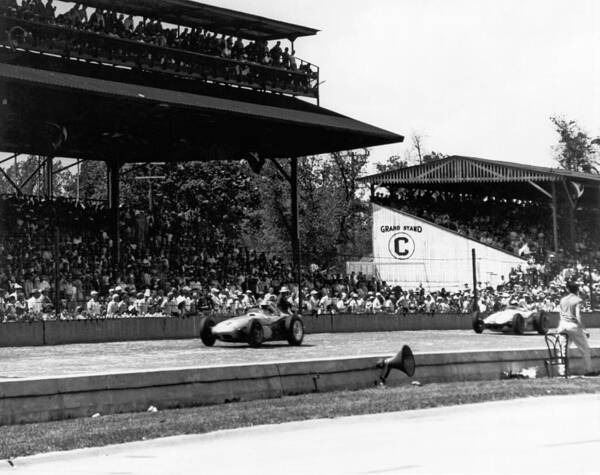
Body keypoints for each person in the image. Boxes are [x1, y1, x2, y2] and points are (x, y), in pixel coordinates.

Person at [556, 282, 593, 375]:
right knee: (584, 349)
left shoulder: (562, 300)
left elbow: (560, 314)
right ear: (577, 290)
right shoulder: (577, 300)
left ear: (567, 289)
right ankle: (588, 370)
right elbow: (578, 316)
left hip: (562, 325)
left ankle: (563, 371)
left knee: (563, 350)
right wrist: (584, 329)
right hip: (573, 325)